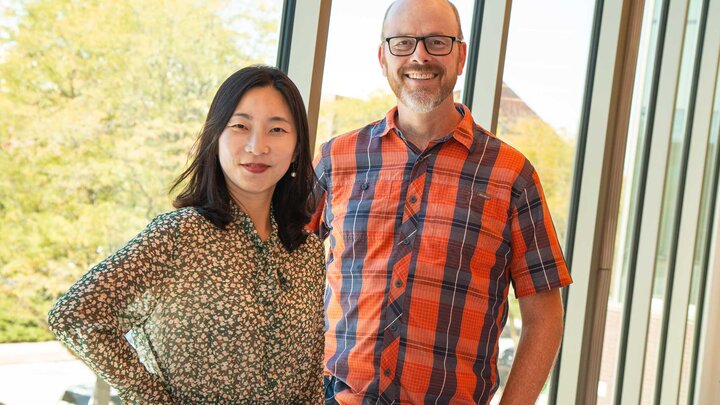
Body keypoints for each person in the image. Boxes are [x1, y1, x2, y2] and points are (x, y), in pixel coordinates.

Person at [310, 1, 573, 404]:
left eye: (437, 42)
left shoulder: (511, 175)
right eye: (403, 43)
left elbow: (545, 315)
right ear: (383, 57)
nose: (420, 56)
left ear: (460, 56)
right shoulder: (335, 159)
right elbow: (280, 264)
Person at [48, 65, 325, 404]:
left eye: (277, 129)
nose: (257, 146)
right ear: (215, 137)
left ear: (297, 147)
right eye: (240, 126)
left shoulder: (307, 252)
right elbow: (75, 315)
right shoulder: (179, 235)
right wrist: (149, 396)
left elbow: (311, 381)